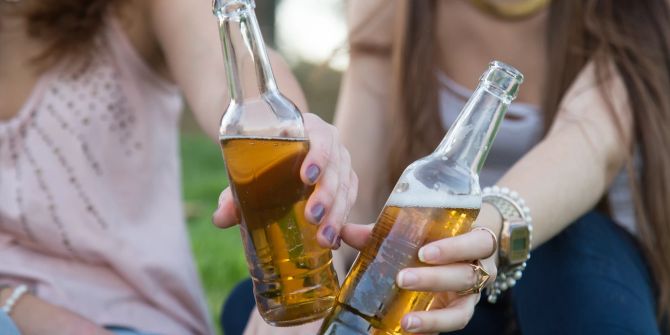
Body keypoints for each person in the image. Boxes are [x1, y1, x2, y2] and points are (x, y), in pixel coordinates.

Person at [219, 0, 670, 334]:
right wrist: (306, 304)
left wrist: (482, 238)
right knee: (256, 306)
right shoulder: (389, 10)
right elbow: (359, 193)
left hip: (594, 285)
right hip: (452, 290)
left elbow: (590, 147)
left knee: (567, 246)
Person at [0, 0, 356, 334]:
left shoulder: (135, 11)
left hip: (136, 319)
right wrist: (19, 309)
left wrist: (290, 128)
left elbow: (224, 67)